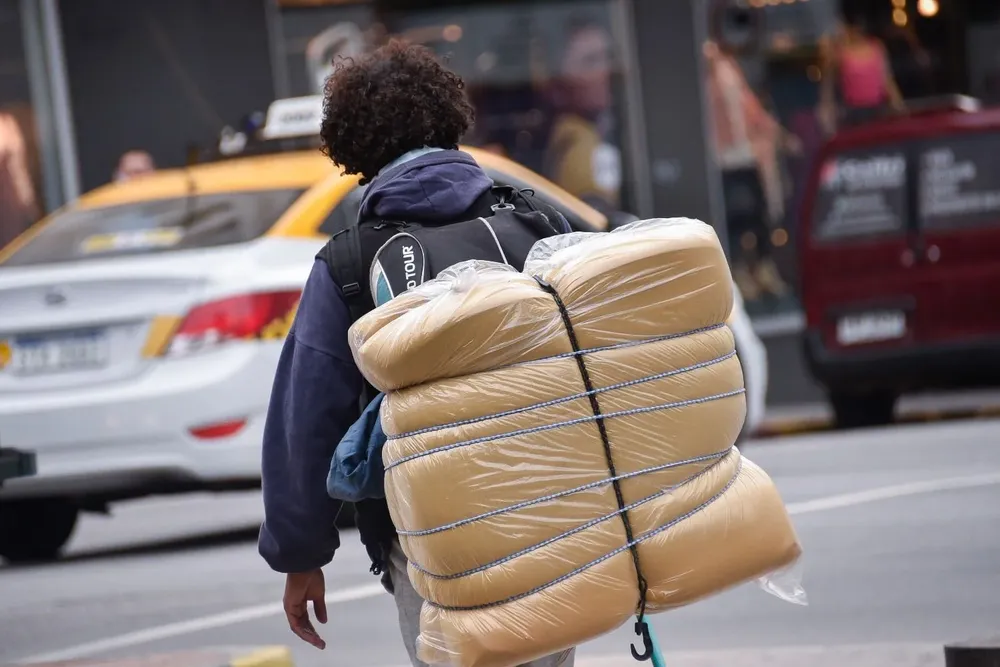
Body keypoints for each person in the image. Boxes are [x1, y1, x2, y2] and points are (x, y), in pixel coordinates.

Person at [258, 39, 575, 667]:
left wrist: (301, 555)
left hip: (429, 530)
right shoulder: (539, 223)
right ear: (448, 114)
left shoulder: (350, 265)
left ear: (352, 144)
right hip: (554, 508)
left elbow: (307, 418)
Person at [704, 40, 798, 303]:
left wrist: (776, 134)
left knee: (758, 216)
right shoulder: (708, 69)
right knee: (735, 218)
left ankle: (761, 269)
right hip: (725, 159)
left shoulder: (729, 67)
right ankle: (740, 274)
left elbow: (749, 107)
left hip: (746, 155)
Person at [543, 19, 622, 217]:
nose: (607, 70)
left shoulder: (603, 129)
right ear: (561, 79)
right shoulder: (578, 146)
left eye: (609, 56)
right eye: (591, 61)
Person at [817, 7, 906, 135]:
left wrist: (899, 107)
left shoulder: (876, 47)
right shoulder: (837, 53)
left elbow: (887, 80)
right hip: (853, 114)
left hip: (878, 110)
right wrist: (827, 116)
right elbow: (828, 88)